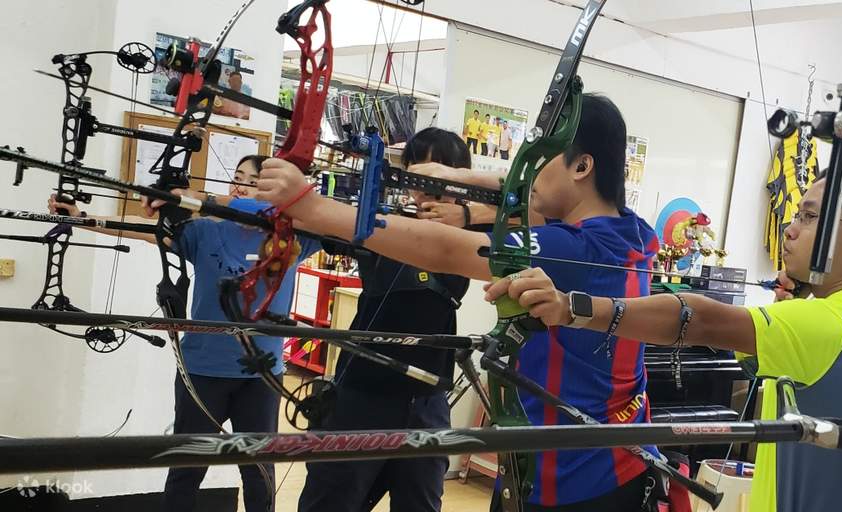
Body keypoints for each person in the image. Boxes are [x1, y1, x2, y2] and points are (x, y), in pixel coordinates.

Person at [253, 94, 663, 511]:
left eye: (539, 159)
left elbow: (449, 251)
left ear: (581, 166)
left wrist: (314, 207)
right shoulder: (633, 233)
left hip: (577, 479)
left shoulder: (573, 247)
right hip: (596, 462)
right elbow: (517, 190)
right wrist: (452, 177)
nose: (526, 172)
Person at [482, 160, 842, 512]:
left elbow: (700, 320)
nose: (790, 229)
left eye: (809, 218)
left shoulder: (833, 323)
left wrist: (569, 307)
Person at [51, 155, 320, 512]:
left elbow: (333, 224)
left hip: (261, 376)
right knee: (186, 469)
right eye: (236, 178)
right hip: (205, 371)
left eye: (251, 181)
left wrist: (272, 201)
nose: (238, 185)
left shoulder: (293, 237)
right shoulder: (207, 230)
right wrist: (85, 220)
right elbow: (146, 229)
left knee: (258, 472)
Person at [297, 128, 476, 512]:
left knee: (420, 502)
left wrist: (468, 211)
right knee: (332, 500)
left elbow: (534, 213)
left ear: (463, 176)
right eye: (419, 171)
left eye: (442, 169)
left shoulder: (473, 232)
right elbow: (315, 224)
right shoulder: (382, 224)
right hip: (362, 392)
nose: (429, 182)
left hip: (427, 398)